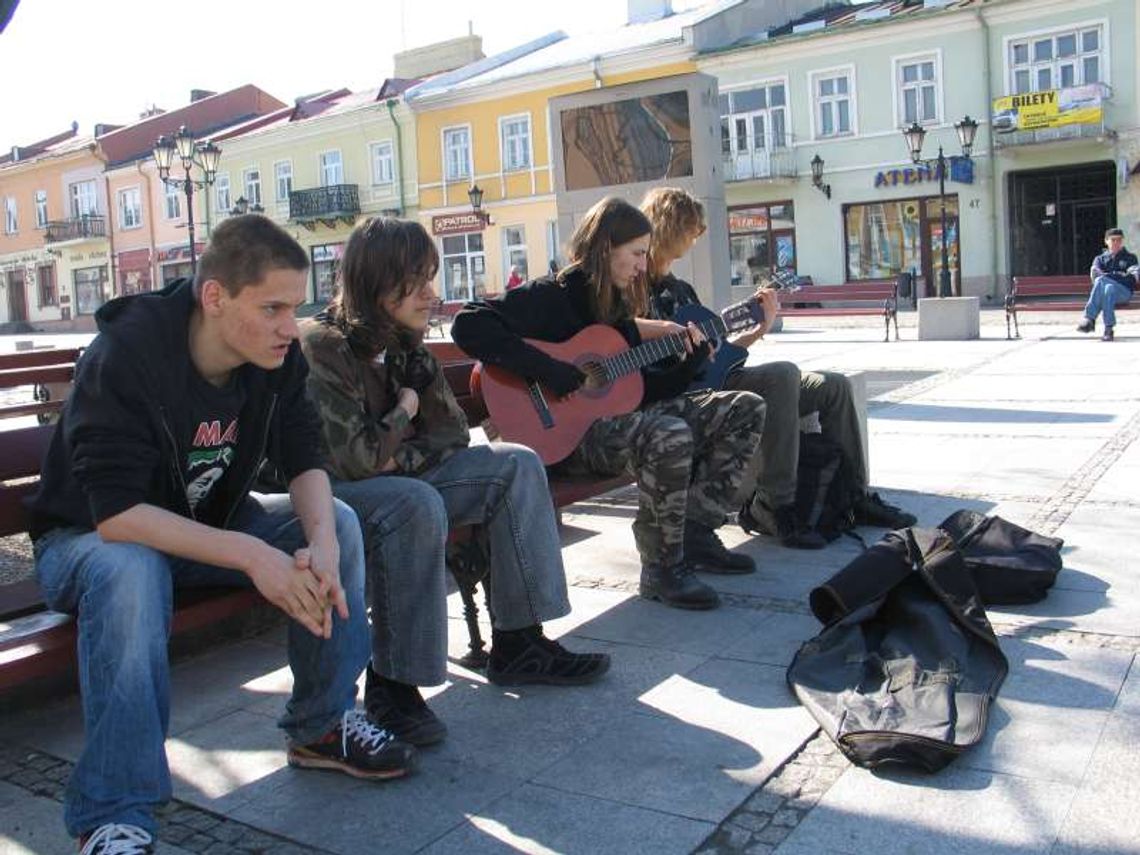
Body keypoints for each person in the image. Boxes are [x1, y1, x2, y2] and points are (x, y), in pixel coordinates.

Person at [28, 215, 415, 855]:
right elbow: (116, 514)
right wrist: (252, 553)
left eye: (295, 308)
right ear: (215, 297)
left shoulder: (274, 357)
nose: (291, 327)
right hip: (89, 545)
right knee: (131, 570)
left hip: (201, 531)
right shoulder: (126, 354)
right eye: (272, 308)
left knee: (340, 522)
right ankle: (114, 814)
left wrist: (318, 540)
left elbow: (305, 453)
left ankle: (322, 725)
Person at [299, 217, 610, 745]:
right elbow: (354, 462)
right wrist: (403, 409)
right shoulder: (325, 347)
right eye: (417, 280)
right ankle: (392, 684)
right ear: (378, 282)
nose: (431, 293)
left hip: (400, 478)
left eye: (431, 277)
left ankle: (519, 641)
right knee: (412, 502)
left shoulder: (405, 341)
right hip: (335, 500)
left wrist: (400, 455)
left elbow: (450, 434)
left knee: (517, 463)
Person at [452, 196, 766, 611]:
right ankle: (662, 569)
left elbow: (640, 392)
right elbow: (467, 322)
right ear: (605, 248)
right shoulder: (551, 295)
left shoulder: (614, 306)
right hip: (563, 438)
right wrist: (549, 369)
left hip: (612, 425)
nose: (642, 265)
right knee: (666, 433)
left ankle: (696, 530)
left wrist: (688, 365)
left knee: (744, 408)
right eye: (636, 254)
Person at [638, 187, 916, 549]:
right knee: (783, 374)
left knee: (833, 385)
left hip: (719, 379)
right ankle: (776, 504)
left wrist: (759, 328)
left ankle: (854, 495)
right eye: (692, 229)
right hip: (689, 395)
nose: (696, 238)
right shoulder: (634, 288)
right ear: (672, 226)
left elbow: (718, 356)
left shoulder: (683, 290)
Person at [1078, 227, 1138, 342]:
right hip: (1107, 293)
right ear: (1106, 241)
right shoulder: (1099, 259)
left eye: (1119, 240)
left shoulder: (1131, 258)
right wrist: (1119, 275)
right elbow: (1095, 277)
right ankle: (1108, 329)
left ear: (1122, 241)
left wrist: (1108, 275)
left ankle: (1090, 319)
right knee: (1108, 288)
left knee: (1103, 281)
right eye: (1113, 240)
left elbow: (1132, 278)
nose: (1116, 243)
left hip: (1123, 293)